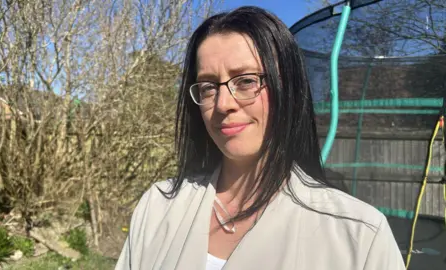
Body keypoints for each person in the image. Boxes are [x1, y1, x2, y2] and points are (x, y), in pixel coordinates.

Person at [115, 6, 406, 270]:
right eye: (208, 87)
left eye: (246, 81)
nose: (223, 103)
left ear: (287, 88)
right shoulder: (159, 208)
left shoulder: (358, 236)